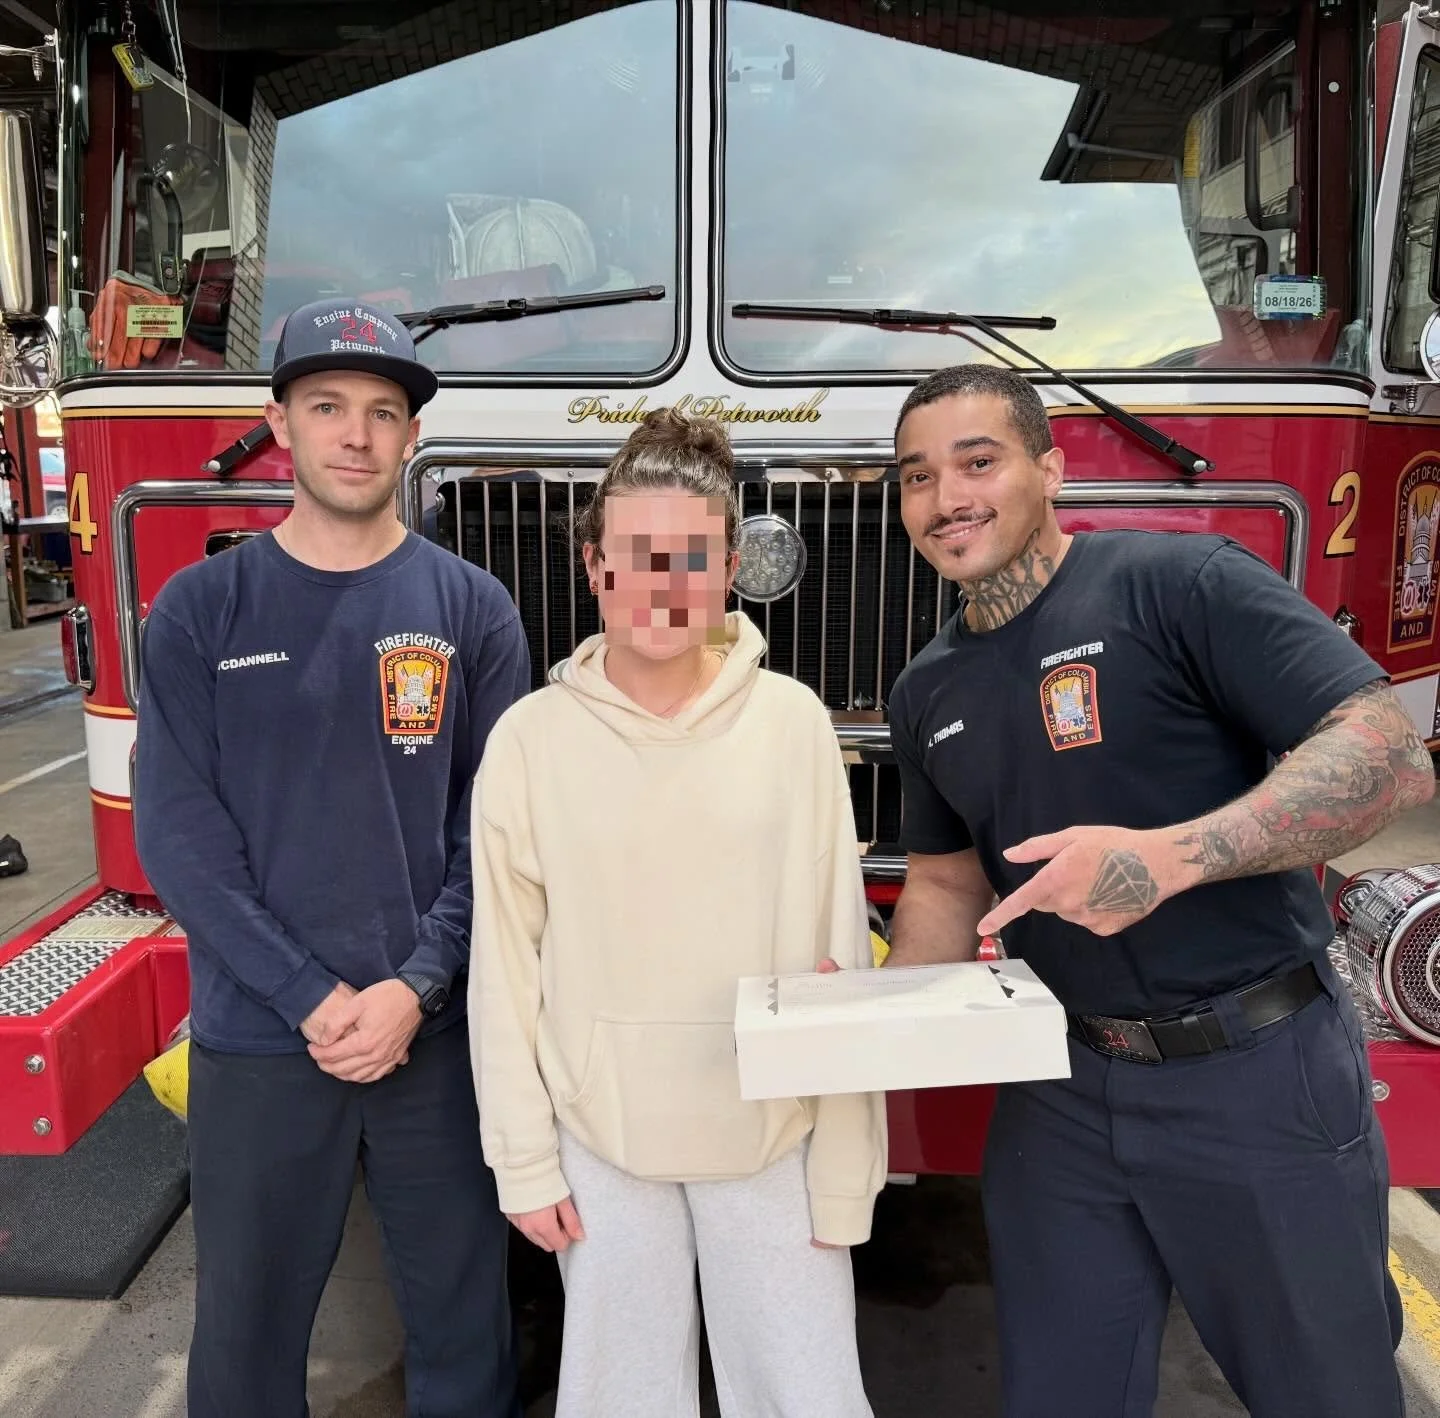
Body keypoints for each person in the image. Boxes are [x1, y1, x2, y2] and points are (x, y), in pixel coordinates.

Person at [873, 363, 1434, 1418]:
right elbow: (947, 884)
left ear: (1052, 466)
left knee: (1329, 1394)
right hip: (1060, 1090)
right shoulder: (926, 687)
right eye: (917, 476)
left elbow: (1388, 755)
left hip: (1257, 1072)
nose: (946, 497)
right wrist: (875, 1018)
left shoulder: (1180, 584)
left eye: (977, 461)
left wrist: (1166, 858)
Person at [133, 297, 529, 1418]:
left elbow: (495, 834)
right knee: (246, 1342)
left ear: (410, 437)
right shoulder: (203, 609)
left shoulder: (473, 609)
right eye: (327, 406)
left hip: (434, 1042)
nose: (356, 433)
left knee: (465, 1327)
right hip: (259, 1040)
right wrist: (310, 995)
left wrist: (418, 984)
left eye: (382, 411)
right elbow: (180, 834)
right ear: (283, 423)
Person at [469, 407, 885, 1418]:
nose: (663, 585)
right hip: (601, 1137)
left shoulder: (790, 722)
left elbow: (840, 958)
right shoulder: (529, 739)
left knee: (808, 1393)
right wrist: (522, 1158)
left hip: (773, 1134)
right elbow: (506, 972)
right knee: (618, 1397)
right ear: (594, 565)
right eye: (637, 556)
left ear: (733, 564)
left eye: (691, 557)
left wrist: (845, 1167)